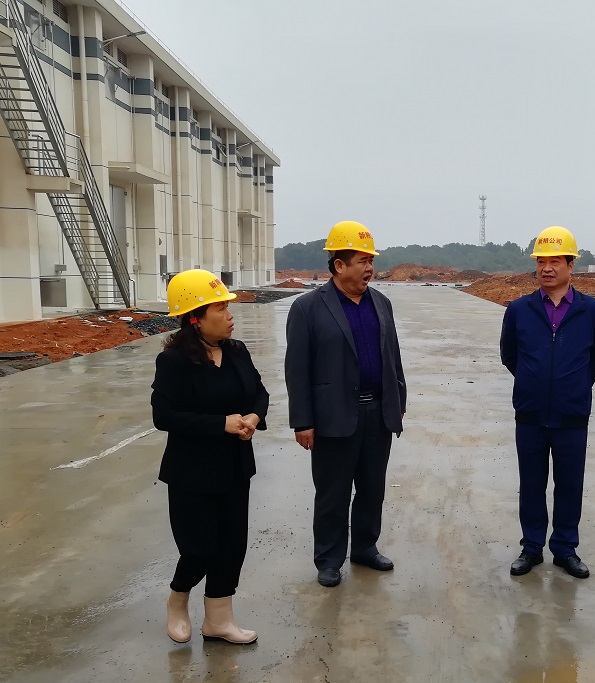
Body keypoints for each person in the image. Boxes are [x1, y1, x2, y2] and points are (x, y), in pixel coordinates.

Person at [284, 221, 406, 587]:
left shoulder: (381, 303)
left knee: (372, 488)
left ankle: (365, 548)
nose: (370, 268)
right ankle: (329, 558)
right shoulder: (307, 308)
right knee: (333, 493)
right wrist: (302, 421)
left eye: (371, 261)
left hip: (377, 413)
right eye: (362, 261)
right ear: (339, 265)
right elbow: (297, 370)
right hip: (332, 417)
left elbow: (393, 356)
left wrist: (398, 399)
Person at [151, 269, 269, 644]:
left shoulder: (237, 351)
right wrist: (221, 424)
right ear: (195, 318)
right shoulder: (173, 362)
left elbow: (260, 393)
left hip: (235, 467)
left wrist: (253, 417)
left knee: (233, 546)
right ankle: (178, 599)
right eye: (221, 308)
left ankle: (219, 620)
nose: (230, 315)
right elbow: (163, 416)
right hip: (192, 472)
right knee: (199, 549)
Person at [500, 226, 595, 579]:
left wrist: (574, 386)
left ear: (570, 265)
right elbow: (509, 355)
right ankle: (531, 547)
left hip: (571, 415)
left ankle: (564, 548)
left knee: (569, 485)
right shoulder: (519, 309)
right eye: (541, 262)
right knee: (531, 484)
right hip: (530, 414)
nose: (546, 268)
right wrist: (532, 382)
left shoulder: (590, 311)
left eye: (555, 261)